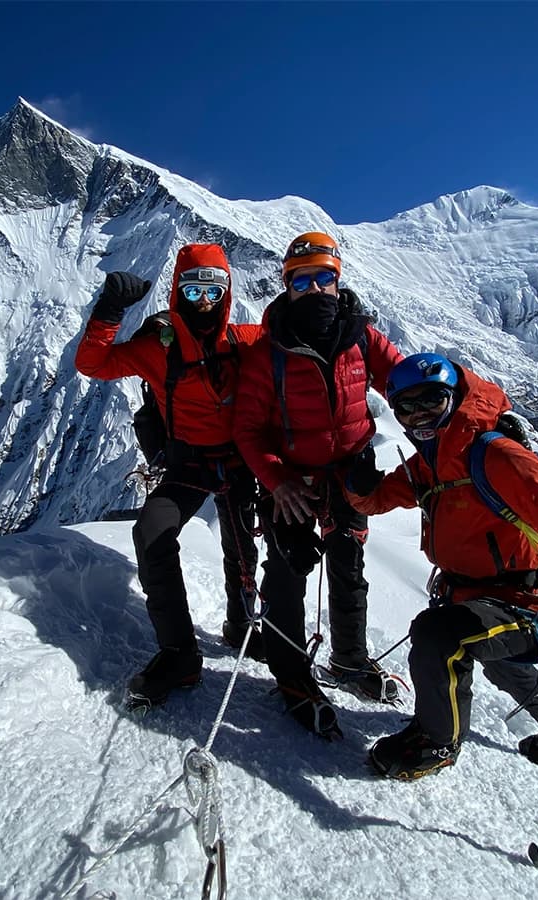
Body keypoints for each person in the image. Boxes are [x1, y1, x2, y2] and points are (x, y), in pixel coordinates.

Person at [345, 352, 538, 778]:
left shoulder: (496, 457)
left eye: (432, 401)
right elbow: (382, 498)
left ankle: (436, 743)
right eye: (407, 406)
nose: (419, 415)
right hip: (473, 596)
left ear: (454, 399)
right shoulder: (432, 460)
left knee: (438, 636)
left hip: (518, 603)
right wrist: (359, 489)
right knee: (512, 673)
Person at [75, 243, 264, 710]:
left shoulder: (245, 341)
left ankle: (241, 625)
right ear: (177, 290)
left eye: (213, 289)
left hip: (236, 461)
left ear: (227, 293)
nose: (203, 300)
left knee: (242, 546)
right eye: (193, 287)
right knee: (152, 532)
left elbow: (294, 344)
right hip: (189, 464)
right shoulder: (155, 349)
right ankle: (180, 652)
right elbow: (92, 364)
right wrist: (109, 310)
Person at [233, 231, 405, 738]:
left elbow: (403, 378)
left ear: (338, 280)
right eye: (300, 280)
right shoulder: (269, 353)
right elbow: (247, 429)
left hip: (349, 471)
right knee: (288, 569)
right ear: (286, 287)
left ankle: (349, 659)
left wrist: (468, 407)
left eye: (322, 277)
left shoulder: (361, 336)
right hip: (292, 478)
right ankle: (291, 676)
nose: (313, 288)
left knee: (348, 563)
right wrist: (278, 480)